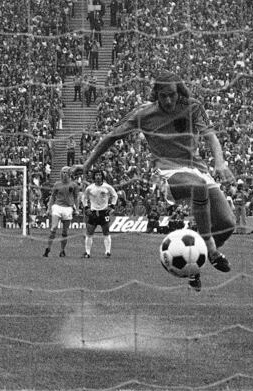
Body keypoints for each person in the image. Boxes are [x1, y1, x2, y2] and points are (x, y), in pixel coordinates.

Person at [77, 72, 235, 291]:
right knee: (198, 189)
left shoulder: (193, 106)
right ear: (156, 95)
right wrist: (86, 165)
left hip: (198, 169)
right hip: (167, 173)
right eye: (163, 96)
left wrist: (220, 162)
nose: (168, 101)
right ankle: (212, 250)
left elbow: (211, 136)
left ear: (179, 91)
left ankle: (193, 264)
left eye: (171, 95)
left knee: (227, 224)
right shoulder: (144, 113)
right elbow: (111, 137)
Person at [81, 168, 118, 258]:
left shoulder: (107, 187)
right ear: (94, 177)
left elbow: (115, 195)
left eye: (100, 175)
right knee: (89, 233)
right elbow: (84, 198)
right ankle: (88, 252)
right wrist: (86, 208)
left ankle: (108, 252)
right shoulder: (90, 188)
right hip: (93, 212)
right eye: (96, 175)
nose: (98, 177)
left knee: (106, 232)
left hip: (104, 212)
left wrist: (112, 206)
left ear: (102, 176)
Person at [43, 166, 79, 257]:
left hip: (68, 208)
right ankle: (48, 248)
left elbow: (76, 198)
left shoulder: (74, 185)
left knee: (65, 232)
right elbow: (52, 197)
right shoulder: (57, 184)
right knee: (53, 228)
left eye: (66, 172)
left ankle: (62, 250)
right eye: (62, 172)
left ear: (70, 173)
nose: (64, 174)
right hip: (57, 207)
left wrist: (77, 209)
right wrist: (49, 208)